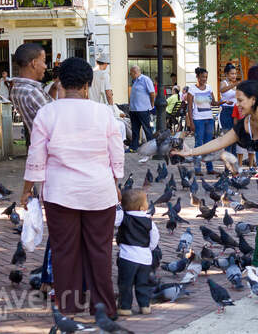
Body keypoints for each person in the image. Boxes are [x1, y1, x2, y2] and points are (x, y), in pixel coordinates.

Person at [21, 57, 123, 318]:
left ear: (60, 82)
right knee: (100, 251)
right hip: (100, 192)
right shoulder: (104, 113)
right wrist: (116, 183)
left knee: (65, 251)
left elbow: (36, 156)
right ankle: (104, 308)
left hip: (59, 193)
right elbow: (116, 153)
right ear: (87, 85)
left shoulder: (48, 113)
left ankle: (68, 308)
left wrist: (26, 190)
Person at [174, 80, 258, 279]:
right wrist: (190, 152)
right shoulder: (246, 123)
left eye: (241, 100)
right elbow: (220, 141)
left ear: (253, 100)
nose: (237, 104)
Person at [9, 42, 56, 293]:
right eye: (44, 60)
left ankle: (51, 277)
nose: (46, 66)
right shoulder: (30, 92)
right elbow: (56, 119)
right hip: (53, 162)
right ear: (33, 63)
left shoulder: (21, 89)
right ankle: (51, 278)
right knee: (61, 225)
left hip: (46, 161)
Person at [115, 189, 159, 316]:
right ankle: (145, 306)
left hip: (127, 258)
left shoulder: (123, 217)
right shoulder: (149, 221)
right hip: (145, 259)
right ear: (141, 207)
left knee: (125, 284)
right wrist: (148, 249)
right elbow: (155, 237)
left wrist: (118, 206)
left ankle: (125, 308)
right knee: (143, 283)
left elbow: (114, 220)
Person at [187, 67, 223, 176]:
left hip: (209, 119)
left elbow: (213, 103)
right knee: (199, 144)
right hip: (198, 120)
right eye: (202, 77)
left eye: (206, 77)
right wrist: (191, 122)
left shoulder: (209, 88)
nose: (204, 79)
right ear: (197, 77)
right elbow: (189, 108)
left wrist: (223, 102)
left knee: (209, 144)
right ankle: (197, 169)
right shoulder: (192, 89)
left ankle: (209, 168)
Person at [127, 66, 155, 153]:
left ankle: (152, 148)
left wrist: (152, 105)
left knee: (147, 129)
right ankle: (134, 147)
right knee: (135, 130)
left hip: (143, 109)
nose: (130, 75)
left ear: (135, 72)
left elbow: (152, 93)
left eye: (131, 73)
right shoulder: (134, 81)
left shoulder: (145, 79)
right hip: (134, 110)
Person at [220, 63, 238, 156]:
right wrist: (234, 85)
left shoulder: (236, 85)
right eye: (232, 73)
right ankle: (227, 168)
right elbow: (222, 90)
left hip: (236, 112)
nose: (234, 75)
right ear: (227, 74)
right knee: (228, 139)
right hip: (227, 111)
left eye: (235, 73)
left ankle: (234, 167)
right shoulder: (224, 83)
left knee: (234, 138)